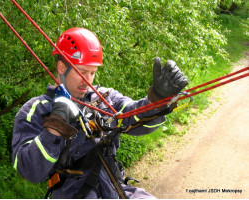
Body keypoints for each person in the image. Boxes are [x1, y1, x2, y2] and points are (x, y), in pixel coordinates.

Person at [12, 27, 188, 199]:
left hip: (116, 188)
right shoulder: (35, 110)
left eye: (93, 73)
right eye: (82, 72)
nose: (87, 81)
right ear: (61, 67)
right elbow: (30, 171)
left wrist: (157, 101)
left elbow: (133, 117)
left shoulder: (104, 98)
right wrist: (56, 123)